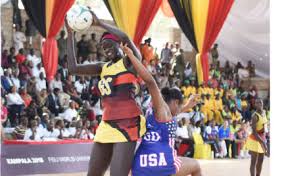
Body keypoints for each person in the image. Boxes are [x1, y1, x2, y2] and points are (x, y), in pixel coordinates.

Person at [66, 12, 146, 176]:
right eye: (103, 47)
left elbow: (125, 36)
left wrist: (100, 23)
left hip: (128, 123)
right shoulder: (103, 67)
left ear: (119, 45)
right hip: (106, 123)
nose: (106, 49)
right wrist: (70, 34)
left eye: (109, 45)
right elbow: (73, 68)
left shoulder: (129, 62)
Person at [120, 43, 201, 176]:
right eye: (180, 105)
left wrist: (186, 106)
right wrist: (131, 55)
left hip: (140, 164)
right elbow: (150, 82)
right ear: (175, 102)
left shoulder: (152, 111)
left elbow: (171, 115)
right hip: (161, 162)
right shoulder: (163, 110)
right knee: (196, 166)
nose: (181, 108)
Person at [245, 99, 269, 176]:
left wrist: (265, 137)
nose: (259, 104)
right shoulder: (254, 116)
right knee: (253, 161)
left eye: (260, 102)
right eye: (257, 103)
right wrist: (263, 143)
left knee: (261, 160)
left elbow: (265, 125)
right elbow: (255, 133)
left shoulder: (264, 113)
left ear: (262, 104)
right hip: (255, 139)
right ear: (255, 105)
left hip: (262, 137)